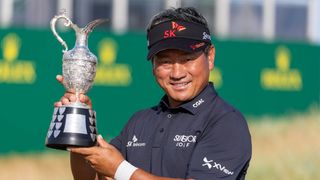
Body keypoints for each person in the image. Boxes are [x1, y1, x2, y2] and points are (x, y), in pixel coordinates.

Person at [55, 7, 252, 180]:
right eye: (165, 61)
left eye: (187, 59)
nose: (177, 73)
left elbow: (116, 170)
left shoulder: (226, 122)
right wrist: (81, 121)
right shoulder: (139, 121)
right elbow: (92, 179)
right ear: (153, 64)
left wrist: (121, 170)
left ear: (210, 57)